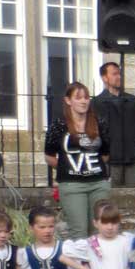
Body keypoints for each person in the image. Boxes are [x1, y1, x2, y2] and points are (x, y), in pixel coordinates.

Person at [44, 83, 111, 237]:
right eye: (78, 98)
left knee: (98, 230)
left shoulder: (99, 122)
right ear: (68, 101)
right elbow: (49, 156)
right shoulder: (59, 125)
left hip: (98, 183)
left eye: (86, 97)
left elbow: (105, 153)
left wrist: (89, 166)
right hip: (71, 185)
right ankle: (79, 262)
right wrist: (68, 167)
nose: (84, 101)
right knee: (79, 231)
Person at [92, 62, 135, 187]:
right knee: (111, 198)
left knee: (132, 196)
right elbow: (93, 128)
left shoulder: (133, 101)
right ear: (104, 77)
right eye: (114, 74)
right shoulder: (96, 103)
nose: (119, 77)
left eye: (119, 74)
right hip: (110, 160)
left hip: (131, 158)